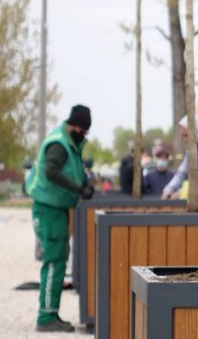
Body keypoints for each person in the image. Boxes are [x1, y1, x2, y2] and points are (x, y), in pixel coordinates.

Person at [26, 104, 95, 332]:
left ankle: (51, 313)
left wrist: (84, 184)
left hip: (54, 208)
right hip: (48, 209)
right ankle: (45, 318)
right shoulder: (59, 144)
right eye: (83, 131)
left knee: (58, 258)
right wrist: (77, 188)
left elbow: (70, 170)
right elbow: (51, 172)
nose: (83, 135)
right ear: (75, 126)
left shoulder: (67, 141)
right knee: (54, 261)